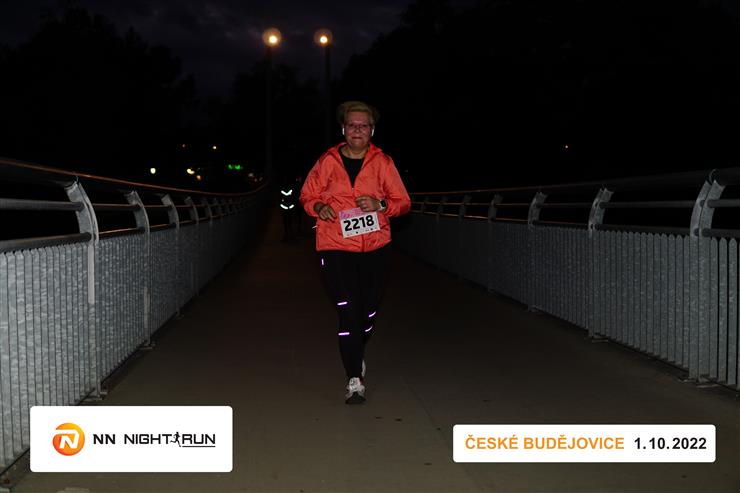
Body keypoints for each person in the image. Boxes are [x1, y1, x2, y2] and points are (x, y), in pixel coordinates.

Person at [300, 101, 411, 404]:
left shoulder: (383, 162)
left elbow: (403, 202)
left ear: (372, 130)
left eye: (364, 125)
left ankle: (356, 349)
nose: (357, 130)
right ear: (343, 129)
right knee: (349, 310)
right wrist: (318, 206)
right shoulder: (327, 161)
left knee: (368, 312)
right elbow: (307, 195)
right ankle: (354, 378)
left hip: (376, 248)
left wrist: (381, 205)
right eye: (352, 125)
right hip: (335, 245)